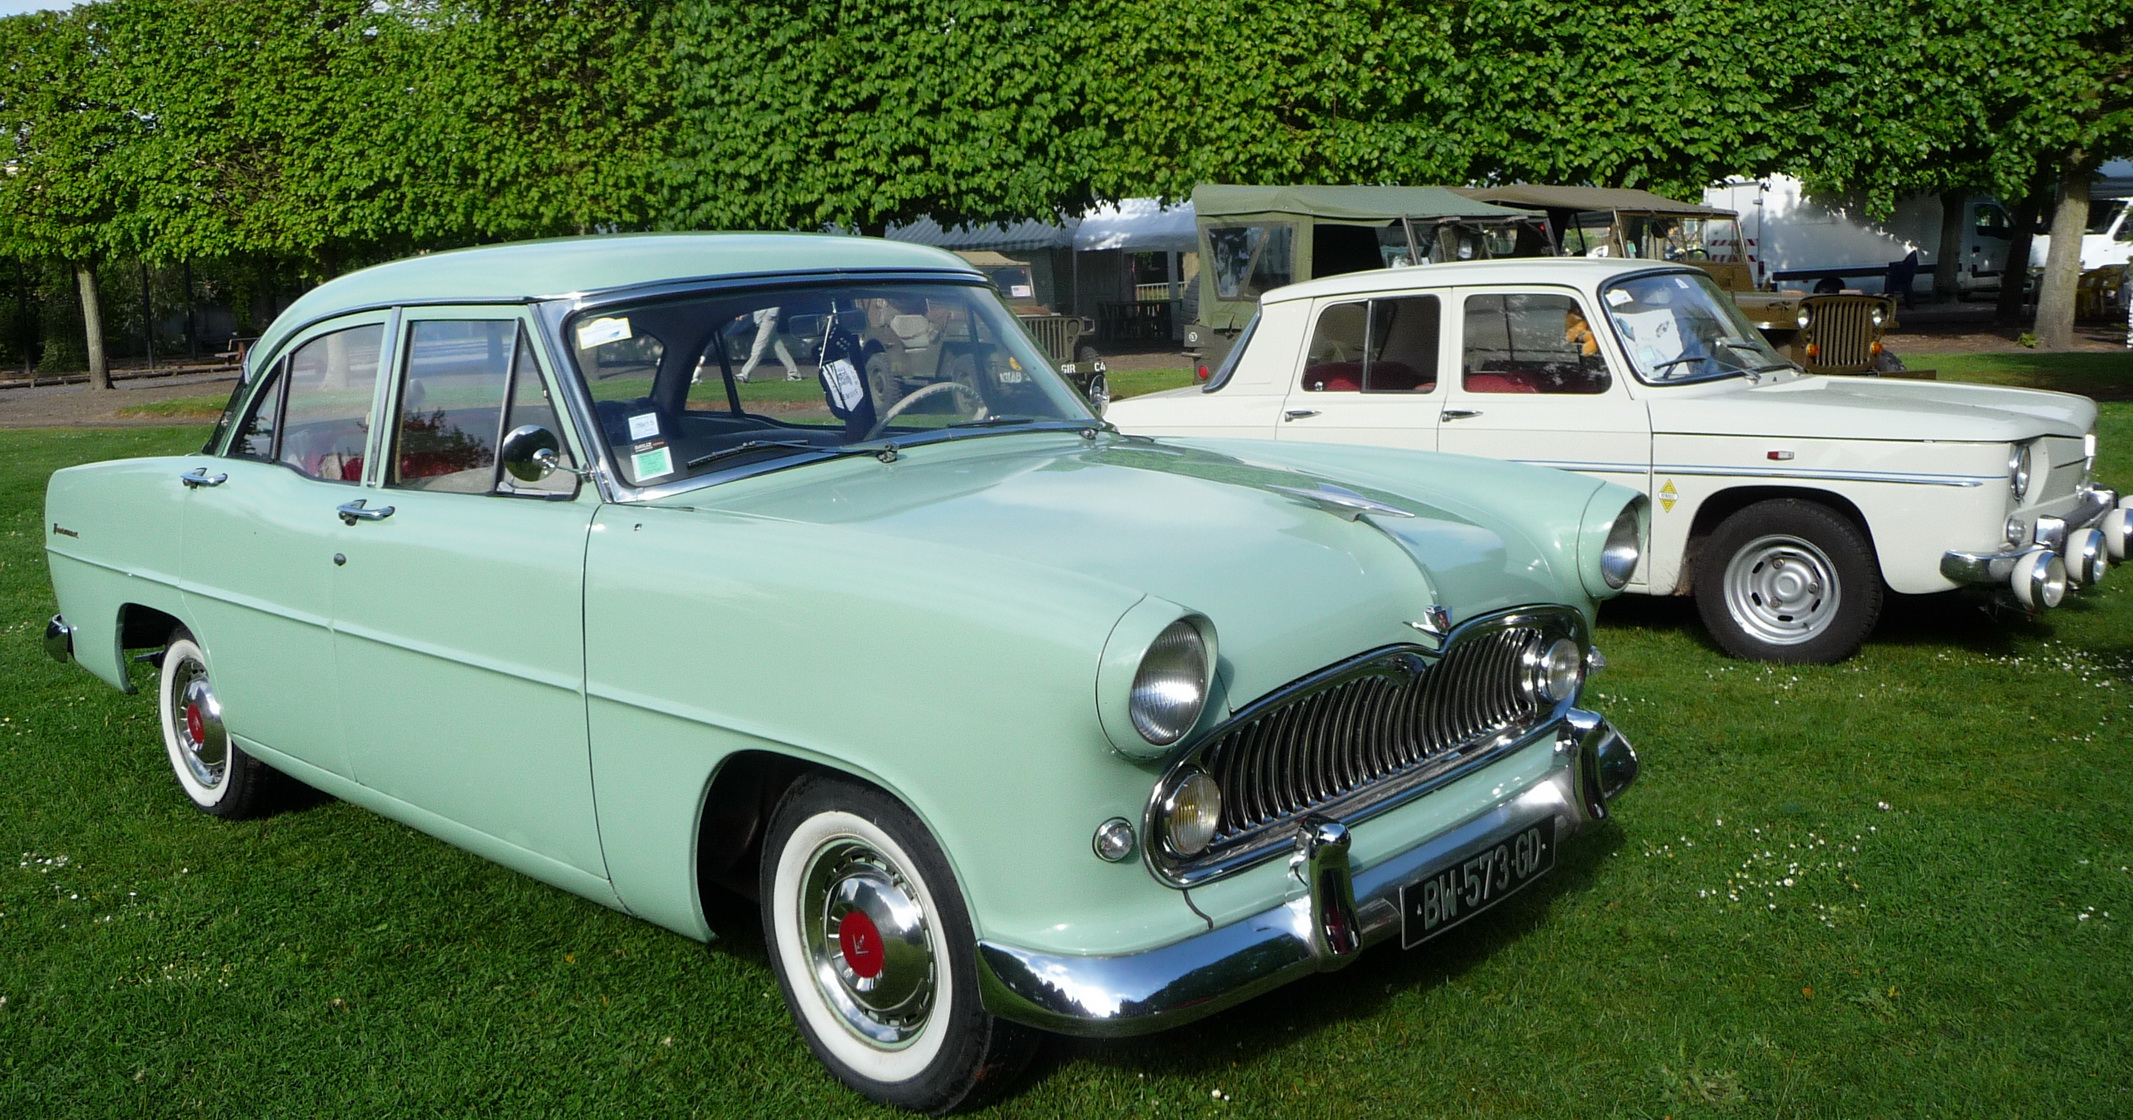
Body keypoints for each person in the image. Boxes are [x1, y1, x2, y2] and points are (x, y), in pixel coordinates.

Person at [735, 305, 801, 382]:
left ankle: (744, 374)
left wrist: (772, 314)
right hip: (763, 319)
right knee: (779, 349)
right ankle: (794, 374)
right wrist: (744, 313)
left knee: (758, 347)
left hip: (769, 318)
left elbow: (774, 301)